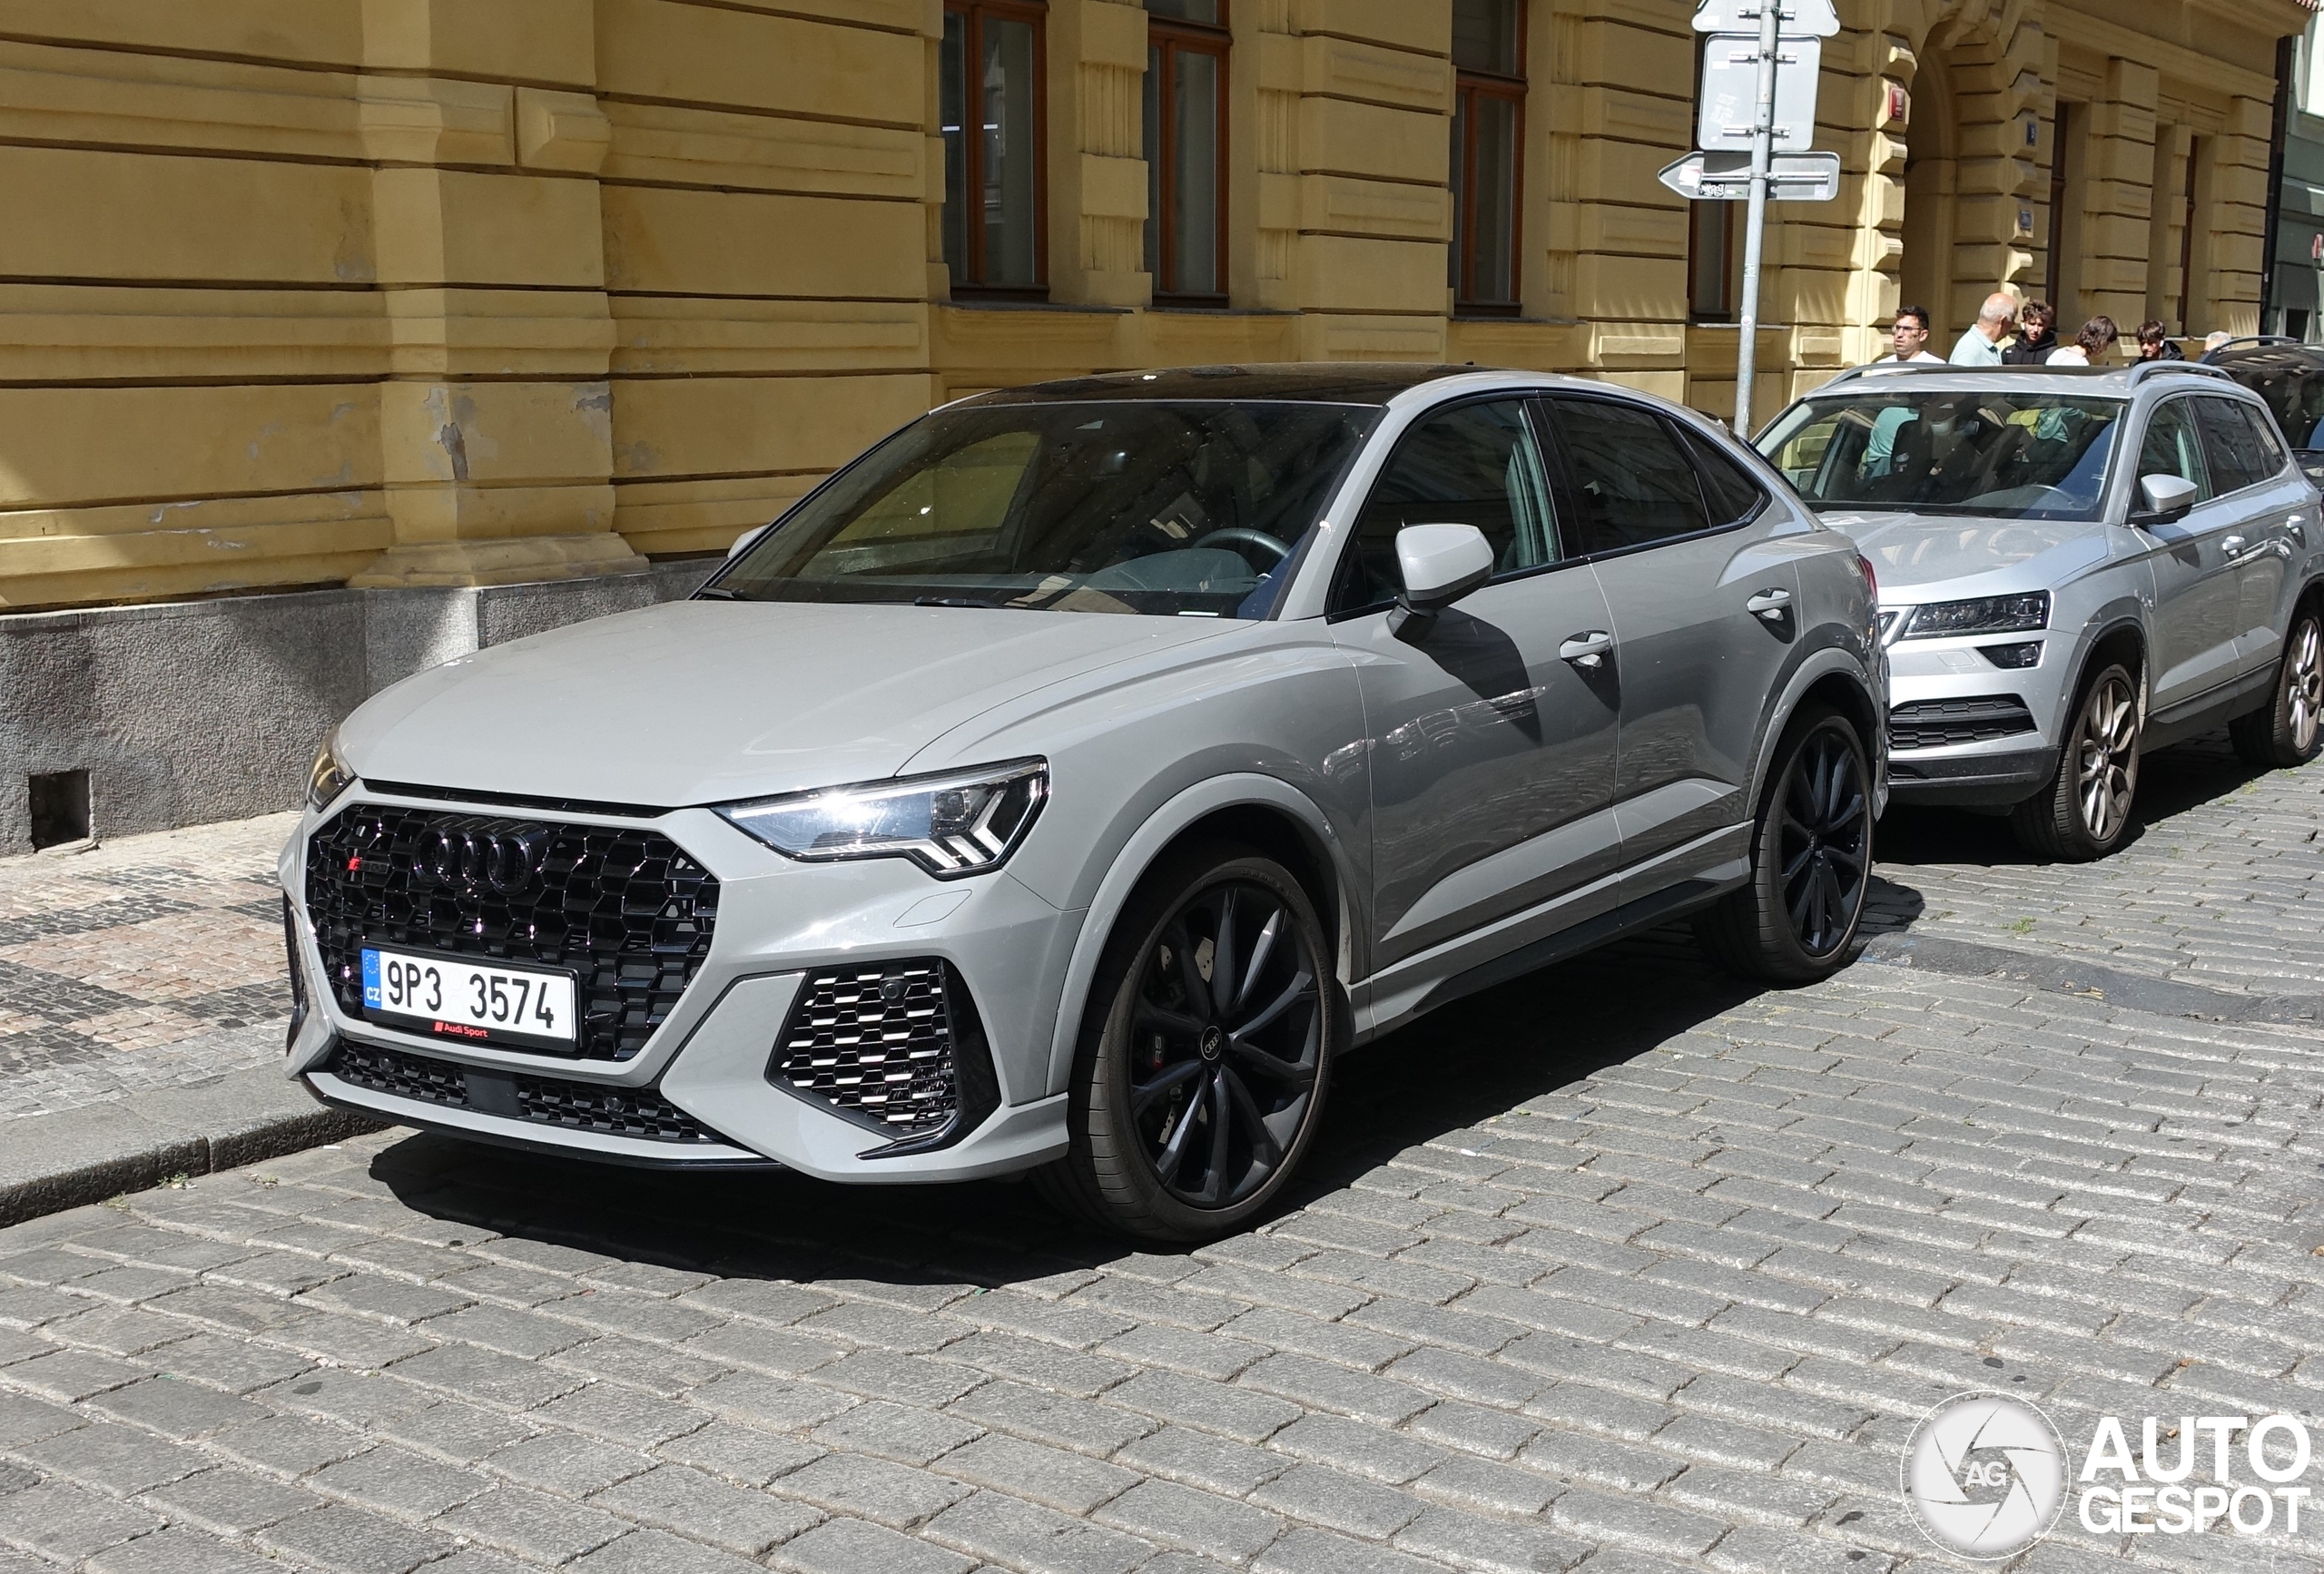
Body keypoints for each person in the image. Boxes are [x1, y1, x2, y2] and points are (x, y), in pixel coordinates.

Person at [1950, 293, 2018, 366]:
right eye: (2012, 320)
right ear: (2003, 321)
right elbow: (1960, 377)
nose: (2013, 325)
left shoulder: (1983, 345)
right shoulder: (1971, 349)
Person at [1881, 306, 1945, 363]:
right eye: (1897, 328)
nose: (1899, 334)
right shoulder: (1881, 367)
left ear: (1923, 335)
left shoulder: (1935, 366)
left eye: (1907, 329)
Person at [2001, 301, 2058, 365]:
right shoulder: (2009, 353)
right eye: (2032, 324)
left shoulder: (2054, 354)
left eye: (2040, 325)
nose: (2036, 330)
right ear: (2023, 323)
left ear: (2046, 326)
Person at [2047, 315, 2119, 366]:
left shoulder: (2058, 353)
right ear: (2100, 340)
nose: (2105, 349)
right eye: (2107, 343)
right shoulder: (2081, 363)